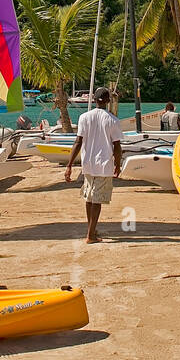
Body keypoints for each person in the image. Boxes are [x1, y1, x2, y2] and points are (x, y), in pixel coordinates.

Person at [64, 87, 123, 243]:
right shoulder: (113, 120)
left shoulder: (84, 117)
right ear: (108, 101)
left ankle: (92, 229)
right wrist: (118, 163)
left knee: (89, 198)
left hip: (88, 163)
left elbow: (78, 142)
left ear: (94, 100)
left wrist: (69, 165)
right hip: (104, 165)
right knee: (96, 200)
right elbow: (117, 146)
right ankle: (91, 235)